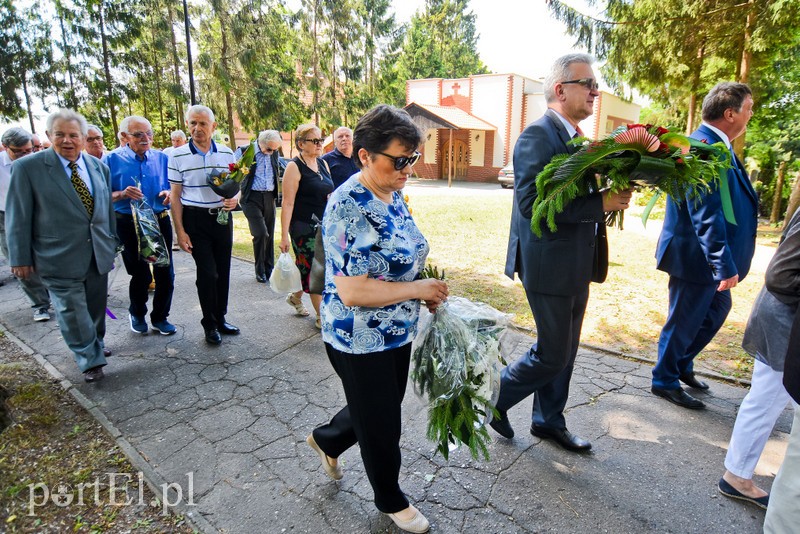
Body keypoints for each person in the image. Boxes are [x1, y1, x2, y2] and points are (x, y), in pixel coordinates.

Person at [308, 104, 447, 534]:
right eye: (400, 159)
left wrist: (423, 285)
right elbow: (353, 290)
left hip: (397, 329)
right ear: (365, 155)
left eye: (412, 158)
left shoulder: (393, 191)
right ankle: (390, 498)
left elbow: (398, 256)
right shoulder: (348, 204)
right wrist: (417, 290)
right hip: (358, 336)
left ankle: (327, 439)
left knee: (377, 407)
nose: (409, 168)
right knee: (384, 422)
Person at [490, 53, 632, 451]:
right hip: (548, 264)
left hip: (576, 262)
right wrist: (599, 204)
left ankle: (548, 420)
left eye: (595, 86)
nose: (594, 91)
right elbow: (532, 206)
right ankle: (491, 401)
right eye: (587, 84)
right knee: (552, 353)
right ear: (560, 89)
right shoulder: (538, 135)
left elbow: (571, 193)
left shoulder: (578, 141)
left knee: (565, 352)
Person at [652, 82, 758, 409]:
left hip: (708, 258)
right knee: (684, 319)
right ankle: (664, 379)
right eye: (748, 109)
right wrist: (722, 264)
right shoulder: (699, 147)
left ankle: (680, 364)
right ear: (730, 113)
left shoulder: (718, 145)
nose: (751, 115)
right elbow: (705, 211)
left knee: (715, 312)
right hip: (695, 256)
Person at [6, 109, 117, 382]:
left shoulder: (98, 167)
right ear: (48, 136)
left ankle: (95, 345)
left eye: (73, 135)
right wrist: (19, 257)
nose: (67, 141)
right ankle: (89, 359)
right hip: (56, 255)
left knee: (95, 306)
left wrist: (112, 242)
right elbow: (18, 215)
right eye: (60, 135)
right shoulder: (27, 168)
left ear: (83, 137)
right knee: (71, 309)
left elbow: (105, 211)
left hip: (97, 252)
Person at [717, 207, 799, 509]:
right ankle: (737, 476)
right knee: (766, 398)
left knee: (766, 398)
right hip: (785, 321)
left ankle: (737, 474)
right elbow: (781, 276)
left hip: (784, 318)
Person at [168, 105, 239, 346]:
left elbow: (235, 186)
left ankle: (220, 318)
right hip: (195, 220)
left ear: (213, 127)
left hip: (221, 219)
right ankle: (208, 324)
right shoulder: (177, 155)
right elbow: (175, 196)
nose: (197, 128)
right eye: (192, 124)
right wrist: (180, 231)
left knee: (223, 271)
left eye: (202, 124)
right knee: (208, 273)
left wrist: (234, 200)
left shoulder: (228, 153)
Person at [106, 115, 176, 336]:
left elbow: (171, 188)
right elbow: (101, 196)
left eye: (149, 133)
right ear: (125, 136)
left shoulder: (161, 158)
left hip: (159, 219)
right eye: (139, 134)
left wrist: (168, 193)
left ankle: (160, 317)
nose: (146, 138)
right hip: (128, 223)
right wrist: (122, 193)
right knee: (142, 275)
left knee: (165, 272)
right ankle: (137, 312)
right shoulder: (111, 160)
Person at [279, 124, 334, 328]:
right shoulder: (294, 167)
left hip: (325, 227)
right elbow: (288, 203)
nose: (320, 144)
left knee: (311, 267)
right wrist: (284, 235)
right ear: (301, 144)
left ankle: (295, 297)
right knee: (314, 269)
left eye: (321, 139)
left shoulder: (323, 164)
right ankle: (321, 316)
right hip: (303, 228)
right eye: (315, 141)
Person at [0, 127, 52, 320]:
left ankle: (55, 291)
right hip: (6, 217)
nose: (24, 154)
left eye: (28, 150)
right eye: (18, 151)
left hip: (39, 214)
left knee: (47, 255)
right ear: (6, 147)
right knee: (20, 261)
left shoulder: (40, 162)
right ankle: (40, 304)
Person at [240, 130, 282, 283]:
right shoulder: (245, 151)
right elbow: (233, 172)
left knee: (269, 235)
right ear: (260, 143)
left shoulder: (274, 152)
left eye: (274, 150)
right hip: (251, 198)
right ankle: (259, 269)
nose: (271, 153)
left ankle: (269, 269)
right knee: (261, 233)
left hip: (269, 197)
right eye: (269, 149)